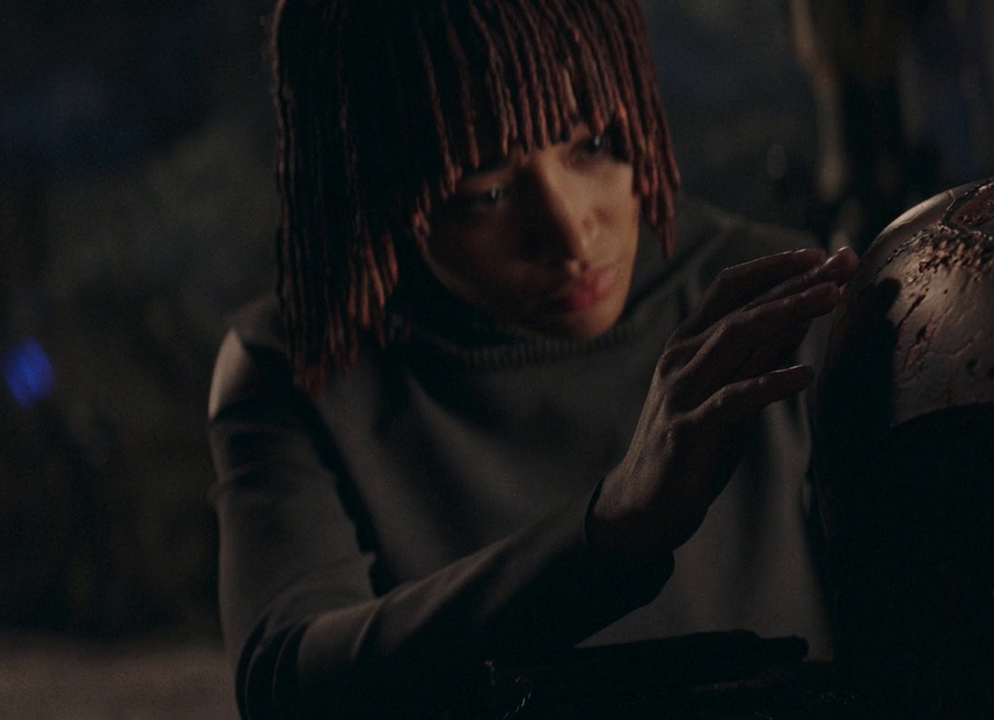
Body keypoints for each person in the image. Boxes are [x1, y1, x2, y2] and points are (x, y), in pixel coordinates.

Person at [206, 0, 858, 717]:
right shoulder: (300, 366)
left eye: (595, 143)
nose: (570, 231)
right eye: (485, 193)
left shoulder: (780, 302)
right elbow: (289, 683)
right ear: (373, 183)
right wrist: (607, 530)